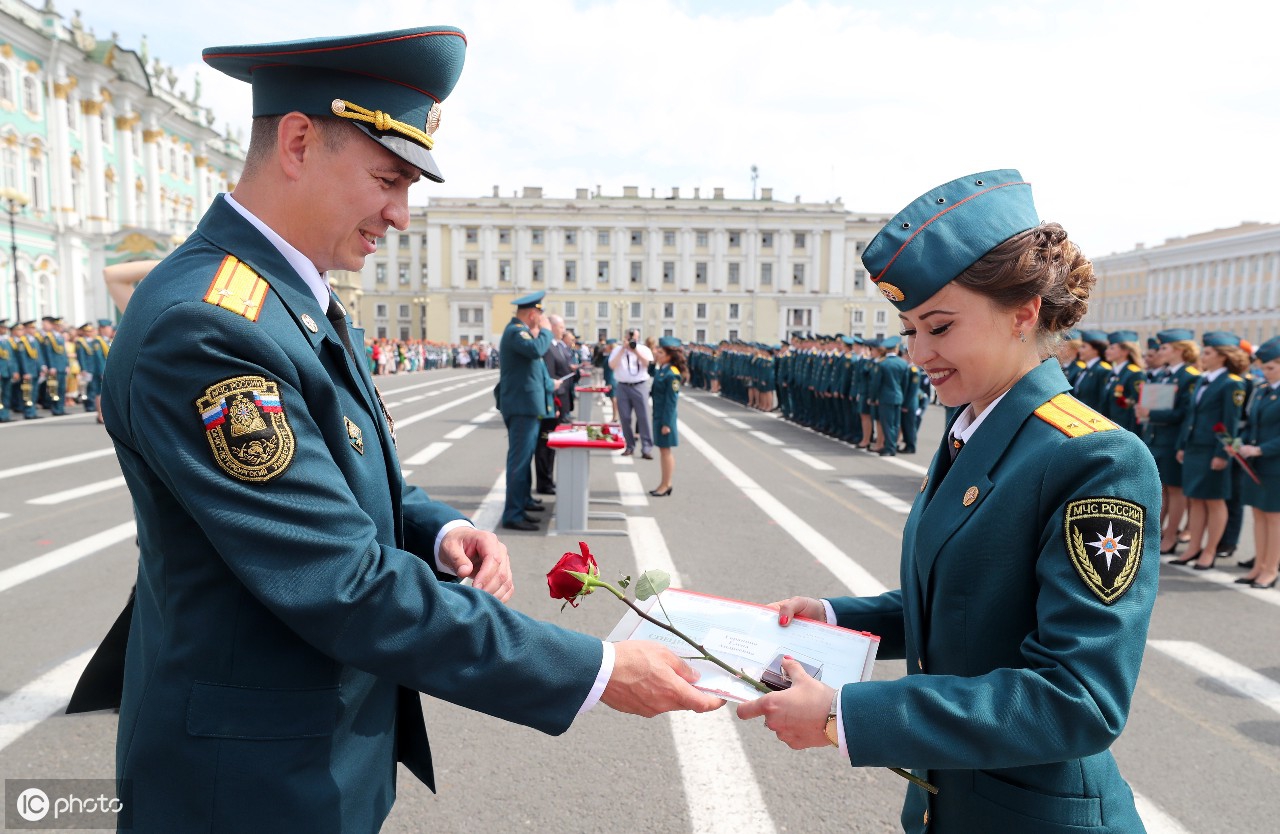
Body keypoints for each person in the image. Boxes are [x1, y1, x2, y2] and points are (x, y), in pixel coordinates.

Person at [67, 28, 720, 832]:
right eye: (388, 179)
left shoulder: (286, 297)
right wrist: (597, 668)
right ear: (300, 142)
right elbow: (338, 581)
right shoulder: (209, 325)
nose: (402, 216)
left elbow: (348, 474)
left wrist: (437, 528)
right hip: (245, 785)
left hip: (309, 754)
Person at [737, 169, 1159, 834]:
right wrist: (831, 617)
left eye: (938, 327)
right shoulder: (977, 429)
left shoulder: (1093, 458)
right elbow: (964, 603)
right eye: (909, 330)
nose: (918, 354)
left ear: (1023, 314)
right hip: (956, 805)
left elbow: (1078, 698)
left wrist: (844, 714)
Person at [1172, 331, 1247, 569]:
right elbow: (1191, 417)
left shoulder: (1232, 383)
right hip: (1195, 447)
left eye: (1208, 352)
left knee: (1214, 501)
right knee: (1194, 499)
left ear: (1223, 357)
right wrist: (1183, 444)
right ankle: (1194, 547)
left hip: (1212, 450)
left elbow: (1231, 423)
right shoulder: (1205, 379)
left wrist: (1222, 453)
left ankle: (1210, 551)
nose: (1203, 356)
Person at [1135, 329, 1199, 554]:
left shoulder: (1189, 376)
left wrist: (1152, 414)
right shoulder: (1164, 374)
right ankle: (1158, 532)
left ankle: (1171, 535)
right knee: (1160, 488)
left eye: (1165, 348)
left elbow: (1184, 413)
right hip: (1156, 437)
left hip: (1172, 439)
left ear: (1180, 349)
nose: (1160, 351)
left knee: (1175, 489)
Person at [497, 292, 555, 530]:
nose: (540, 320)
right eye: (539, 316)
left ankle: (523, 501)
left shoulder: (518, 331)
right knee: (519, 461)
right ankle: (513, 513)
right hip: (522, 407)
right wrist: (547, 331)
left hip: (526, 406)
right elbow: (536, 350)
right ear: (532, 314)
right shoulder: (515, 332)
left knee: (525, 457)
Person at [1237, 336, 1280, 588]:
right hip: (1255, 463)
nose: (1265, 371)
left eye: (1271, 367)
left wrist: (1260, 449)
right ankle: (1259, 566)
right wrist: (1240, 443)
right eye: (1263, 367)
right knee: (1258, 515)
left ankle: (1271, 569)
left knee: (1273, 518)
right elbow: (1251, 424)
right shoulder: (1262, 390)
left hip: (1274, 464)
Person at [609, 327, 655, 458]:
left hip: (639, 385)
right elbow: (612, 365)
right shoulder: (618, 349)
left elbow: (647, 364)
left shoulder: (643, 349)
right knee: (625, 418)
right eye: (630, 338)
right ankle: (629, 446)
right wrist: (623, 349)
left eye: (635, 338)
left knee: (643, 417)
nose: (632, 340)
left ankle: (646, 448)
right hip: (623, 386)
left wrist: (635, 351)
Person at [649, 336, 685, 496]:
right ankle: (663, 483)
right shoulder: (662, 369)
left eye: (661, 352)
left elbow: (671, 402)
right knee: (662, 450)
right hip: (658, 414)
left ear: (670, 355)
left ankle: (667, 484)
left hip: (665, 417)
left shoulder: (672, 374)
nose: (657, 353)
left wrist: (666, 423)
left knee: (665, 451)